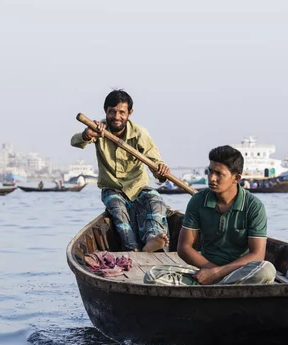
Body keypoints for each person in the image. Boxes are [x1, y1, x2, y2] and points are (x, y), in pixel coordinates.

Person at [71, 89, 170, 252]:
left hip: (138, 188)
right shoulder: (98, 129)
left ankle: (153, 239)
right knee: (118, 211)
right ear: (106, 111)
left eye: (122, 112)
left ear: (130, 113)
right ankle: (132, 249)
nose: (117, 117)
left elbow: (155, 164)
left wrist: (161, 172)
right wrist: (87, 134)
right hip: (112, 189)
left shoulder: (140, 133)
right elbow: (75, 142)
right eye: (112, 112)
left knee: (156, 201)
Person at [173, 145, 275, 285]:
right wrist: (211, 272)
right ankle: (223, 284)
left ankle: (221, 284)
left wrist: (217, 274)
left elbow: (257, 255)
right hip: (204, 271)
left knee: (266, 271)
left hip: (239, 272)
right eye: (210, 172)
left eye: (219, 174)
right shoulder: (198, 201)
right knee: (153, 277)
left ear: (236, 178)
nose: (211, 178)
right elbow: (184, 248)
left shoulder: (253, 206)